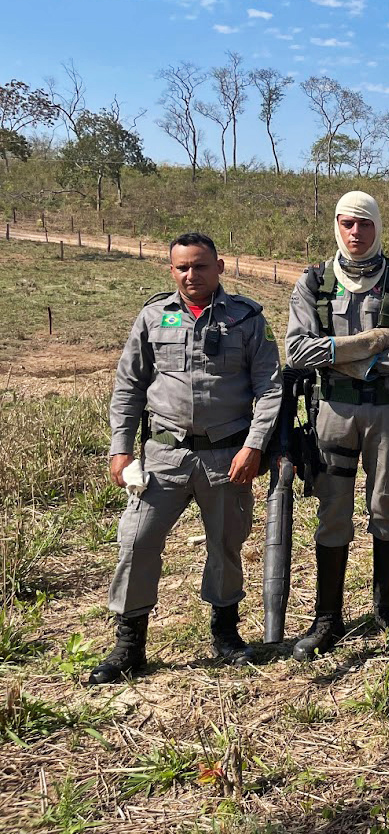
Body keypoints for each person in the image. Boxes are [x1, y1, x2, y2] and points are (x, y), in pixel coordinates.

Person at [91, 233, 281, 684]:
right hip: (164, 455)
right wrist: (120, 448)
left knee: (226, 545)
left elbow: (270, 388)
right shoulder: (154, 316)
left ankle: (225, 634)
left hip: (226, 456)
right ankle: (129, 644)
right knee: (136, 541)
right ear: (171, 270)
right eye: (182, 268)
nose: (191, 275)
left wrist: (253, 447)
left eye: (200, 266)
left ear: (219, 267)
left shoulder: (248, 319)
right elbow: (129, 386)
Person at [285, 191, 389, 659]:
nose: (356, 233)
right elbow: (296, 352)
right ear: (337, 226)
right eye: (347, 223)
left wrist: (339, 356)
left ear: (377, 226)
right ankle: (328, 617)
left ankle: (387, 607)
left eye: (364, 224)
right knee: (332, 512)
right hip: (333, 415)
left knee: (386, 505)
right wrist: (367, 344)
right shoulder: (313, 283)